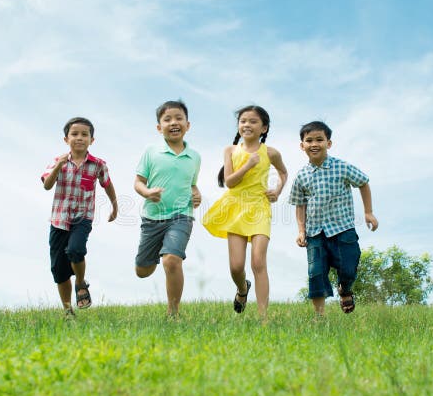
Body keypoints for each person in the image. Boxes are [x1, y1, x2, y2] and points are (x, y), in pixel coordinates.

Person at [202, 106, 287, 318]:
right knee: (236, 266)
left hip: (259, 207)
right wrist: (248, 165)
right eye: (243, 121)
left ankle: (263, 318)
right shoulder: (230, 151)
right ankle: (242, 289)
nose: (247, 125)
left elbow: (283, 172)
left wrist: (277, 190)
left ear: (264, 128)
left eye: (253, 121)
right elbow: (229, 182)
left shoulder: (271, 153)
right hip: (235, 207)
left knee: (258, 261)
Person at [288, 121, 378, 316]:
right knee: (315, 273)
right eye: (309, 140)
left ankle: (345, 289)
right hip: (315, 232)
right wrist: (301, 231)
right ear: (301, 145)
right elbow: (299, 204)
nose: (314, 144)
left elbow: (363, 182)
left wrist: (368, 212)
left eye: (319, 139)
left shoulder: (342, 167)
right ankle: (319, 316)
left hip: (343, 229)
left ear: (328, 143)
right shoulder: (301, 176)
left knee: (349, 267)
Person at [42, 117, 118, 316]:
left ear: (92, 140)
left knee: (76, 250)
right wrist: (58, 167)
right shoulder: (58, 162)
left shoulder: (98, 165)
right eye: (75, 134)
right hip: (59, 221)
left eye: (85, 134)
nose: (79, 138)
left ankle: (81, 283)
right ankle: (68, 311)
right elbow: (47, 185)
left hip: (82, 218)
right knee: (59, 272)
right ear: (66, 139)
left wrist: (114, 206)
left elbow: (107, 184)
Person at [134, 100, 202, 317]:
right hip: (152, 217)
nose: (174, 123)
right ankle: (151, 256)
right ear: (159, 127)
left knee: (172, 260)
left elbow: (191, 183)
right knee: (142, 271)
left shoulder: (194, 157)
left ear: (187, 125)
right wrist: (147, 193)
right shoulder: (151, 151)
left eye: (178, 118)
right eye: (167, 119)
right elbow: (138, 182)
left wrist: (196, 192)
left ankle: (173, 313)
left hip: (182, 216)